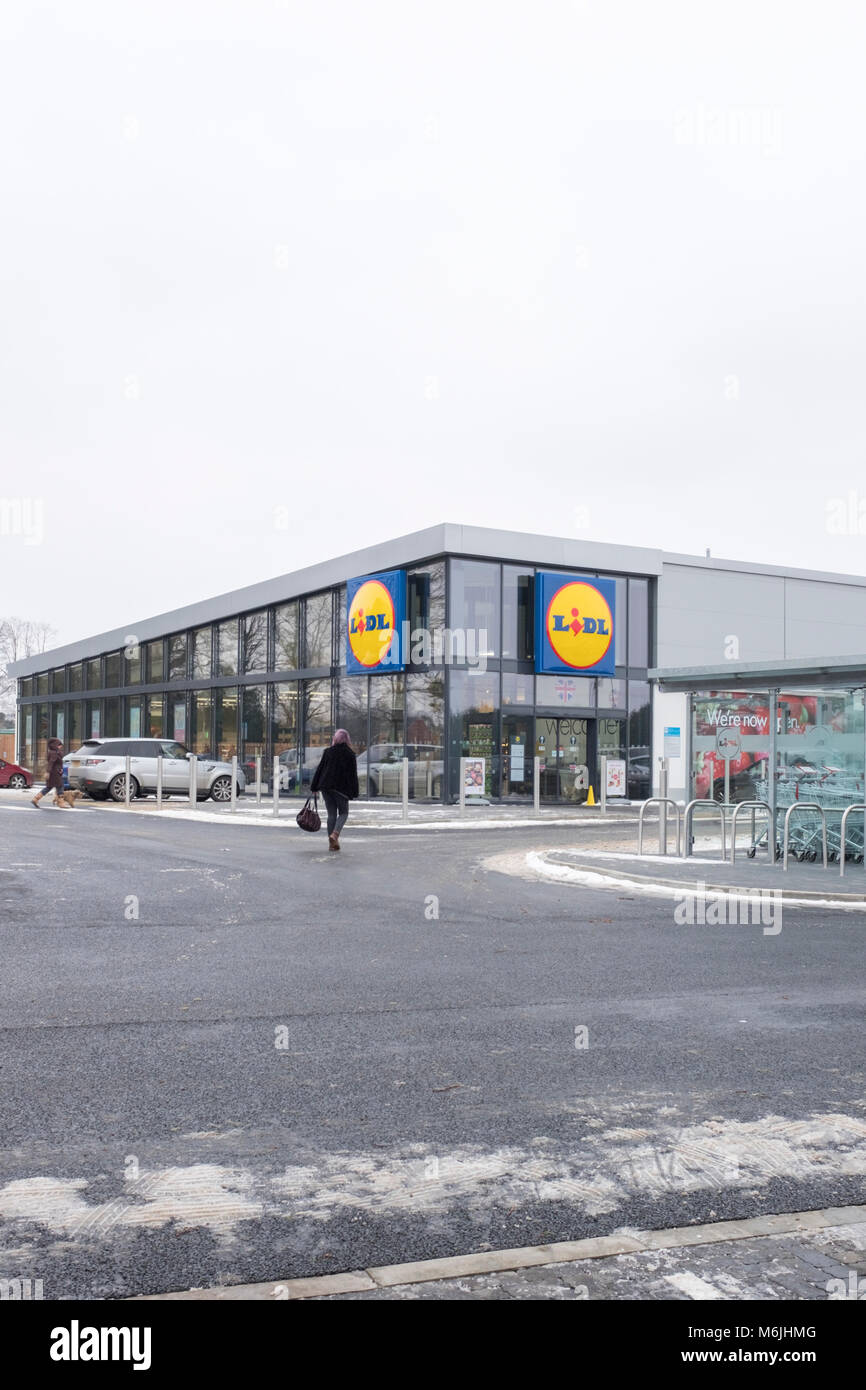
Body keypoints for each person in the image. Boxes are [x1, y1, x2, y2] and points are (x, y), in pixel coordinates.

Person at [310, 730, 358, 851]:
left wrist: (314, 787)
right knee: (343, 813)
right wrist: (354, 791)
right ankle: (335, 834)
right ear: (347, 739)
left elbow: (320, 769)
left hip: (326, 787)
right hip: (341, 788)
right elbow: (353, 775)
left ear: (335, 739)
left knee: (331, 814)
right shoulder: (350, 754)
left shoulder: (328, 752)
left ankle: (332, 844)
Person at [31, 737, 65, 808]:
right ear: (55, 745)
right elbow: (51, 763)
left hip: (54, 772)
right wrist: (48, 772)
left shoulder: (53, 752)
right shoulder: (54, 753)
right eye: (59, 745)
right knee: (60, 786)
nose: (60, 746)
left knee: (49, 787)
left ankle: (36, 799)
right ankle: (61, 803)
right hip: (55, 773)